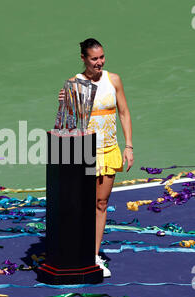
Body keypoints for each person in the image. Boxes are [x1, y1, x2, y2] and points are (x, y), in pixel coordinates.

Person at [58, 38, 134, 277]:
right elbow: (66, 124)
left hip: (109, 150)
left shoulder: (114, 80)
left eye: (102, 57)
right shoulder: (74, 83)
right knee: (81, 205)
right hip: (83, 152)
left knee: (101, 204)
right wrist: (65, 104)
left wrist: (128, 146)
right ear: (83, 59)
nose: (99, 62)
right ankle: (75, 252)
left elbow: (123, 112)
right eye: (94, 59)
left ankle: (93, 256)